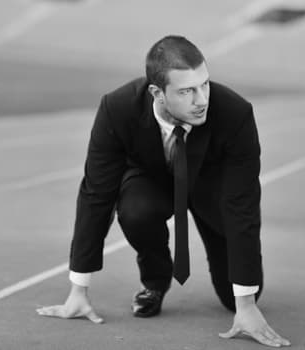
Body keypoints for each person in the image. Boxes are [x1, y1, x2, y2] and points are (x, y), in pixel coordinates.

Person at [37, 35, 290, 347]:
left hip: (212, 186)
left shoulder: (235, 114)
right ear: (157, 92)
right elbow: (95, 194)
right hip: (151, 180)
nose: (201, 100)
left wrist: (247, 304)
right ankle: (155, 282)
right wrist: (79, 289)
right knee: (135, 211)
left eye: (204, 84)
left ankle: (237, 294)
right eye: (186, 91)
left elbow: (244, 206)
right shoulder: (118, 108)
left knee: (233, 297)